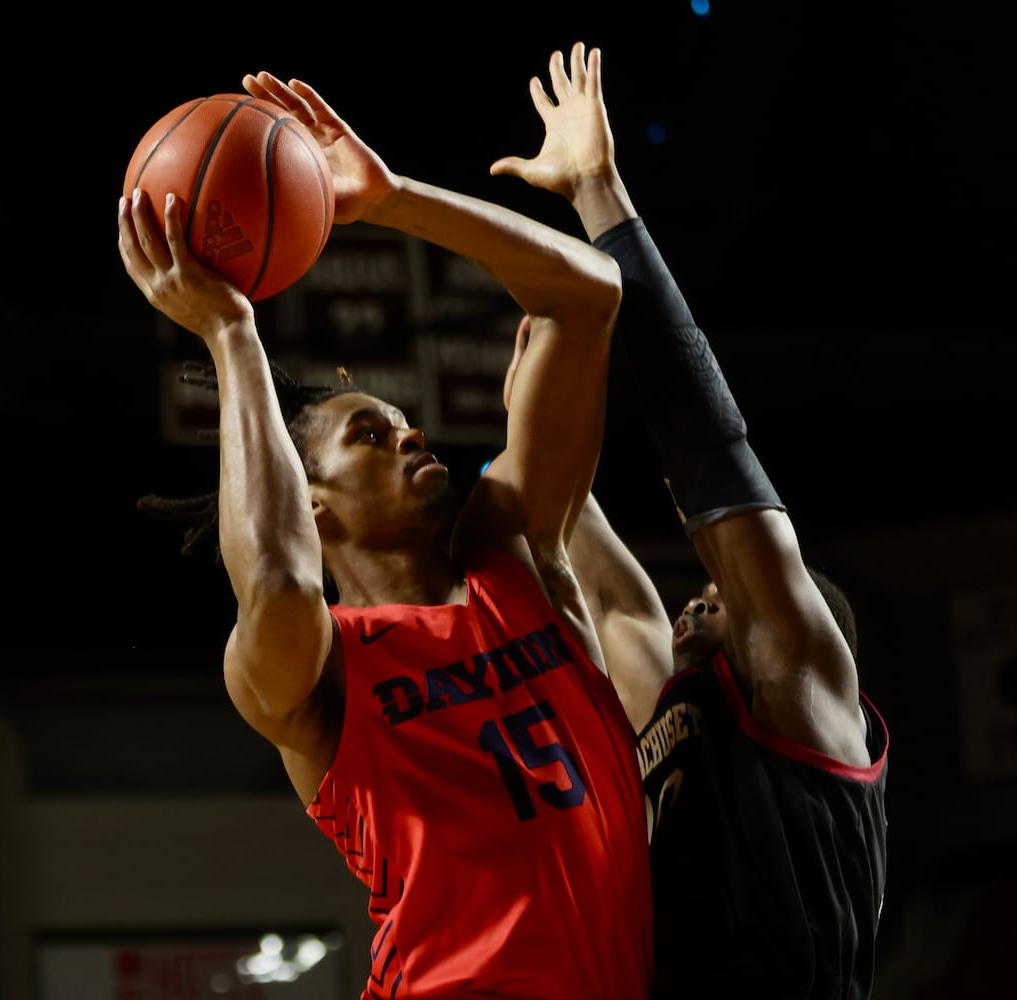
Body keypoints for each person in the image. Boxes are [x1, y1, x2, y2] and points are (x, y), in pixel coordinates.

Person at [121, 69, 652, 999]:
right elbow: (279, 583)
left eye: (403, 421)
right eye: (369, 434)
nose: (411, 432)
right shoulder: (312, 674)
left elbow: (587, 296)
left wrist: (392, 199)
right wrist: (231, 335)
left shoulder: (517, 560)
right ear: (312, 504)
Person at [490, 43, 890, 998]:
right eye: (704, 594)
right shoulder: (689, 705)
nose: (695, 597)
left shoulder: (803, 690)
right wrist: (527, 426)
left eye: (715, 595)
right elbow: (604, 586)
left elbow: (709, 451)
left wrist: (600, 201)